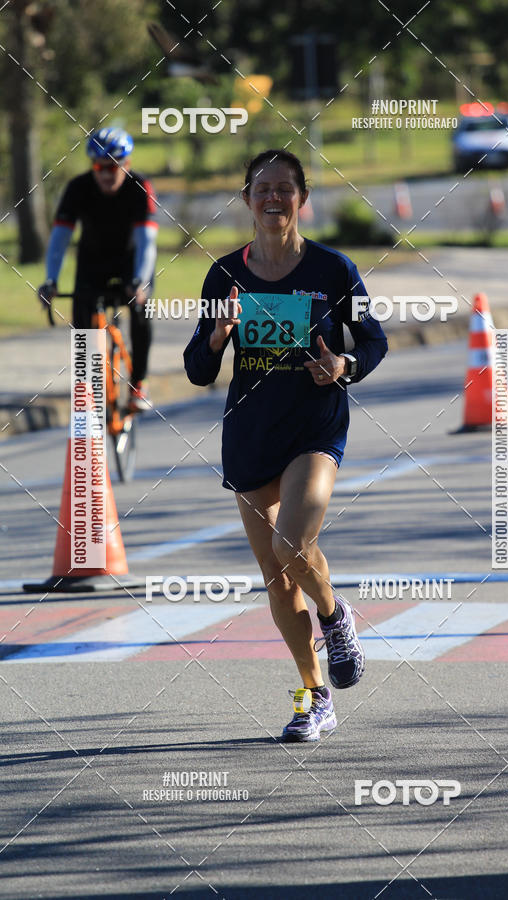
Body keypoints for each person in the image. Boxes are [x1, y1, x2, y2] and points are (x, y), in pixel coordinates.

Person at [184, 149, 388, 742]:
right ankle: (314, 696)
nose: (273, 197)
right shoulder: (224, 275)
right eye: (261, 188)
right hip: (250, 435)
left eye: (285, 188)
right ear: (247, 200)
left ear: (302, 199)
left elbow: (373, 340)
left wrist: (343, 365)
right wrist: (218, 334)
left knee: (292, 544)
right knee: (277, 576)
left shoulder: (332, 269)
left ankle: (335, 616)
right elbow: (198, 370)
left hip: (315, 428)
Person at [38, 127, 158, 410]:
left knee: (141, 311)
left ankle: (139, 383)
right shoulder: (78, 188)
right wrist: (50, 280)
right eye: (98, 166)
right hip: (93, 261)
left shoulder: (139, 187)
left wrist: (140, 282)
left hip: (132, 261)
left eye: (112, 167)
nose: (105, 174)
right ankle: (88, 390)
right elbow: (59, 239)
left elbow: (147, 242)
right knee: (83, 323)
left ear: (126, 164)